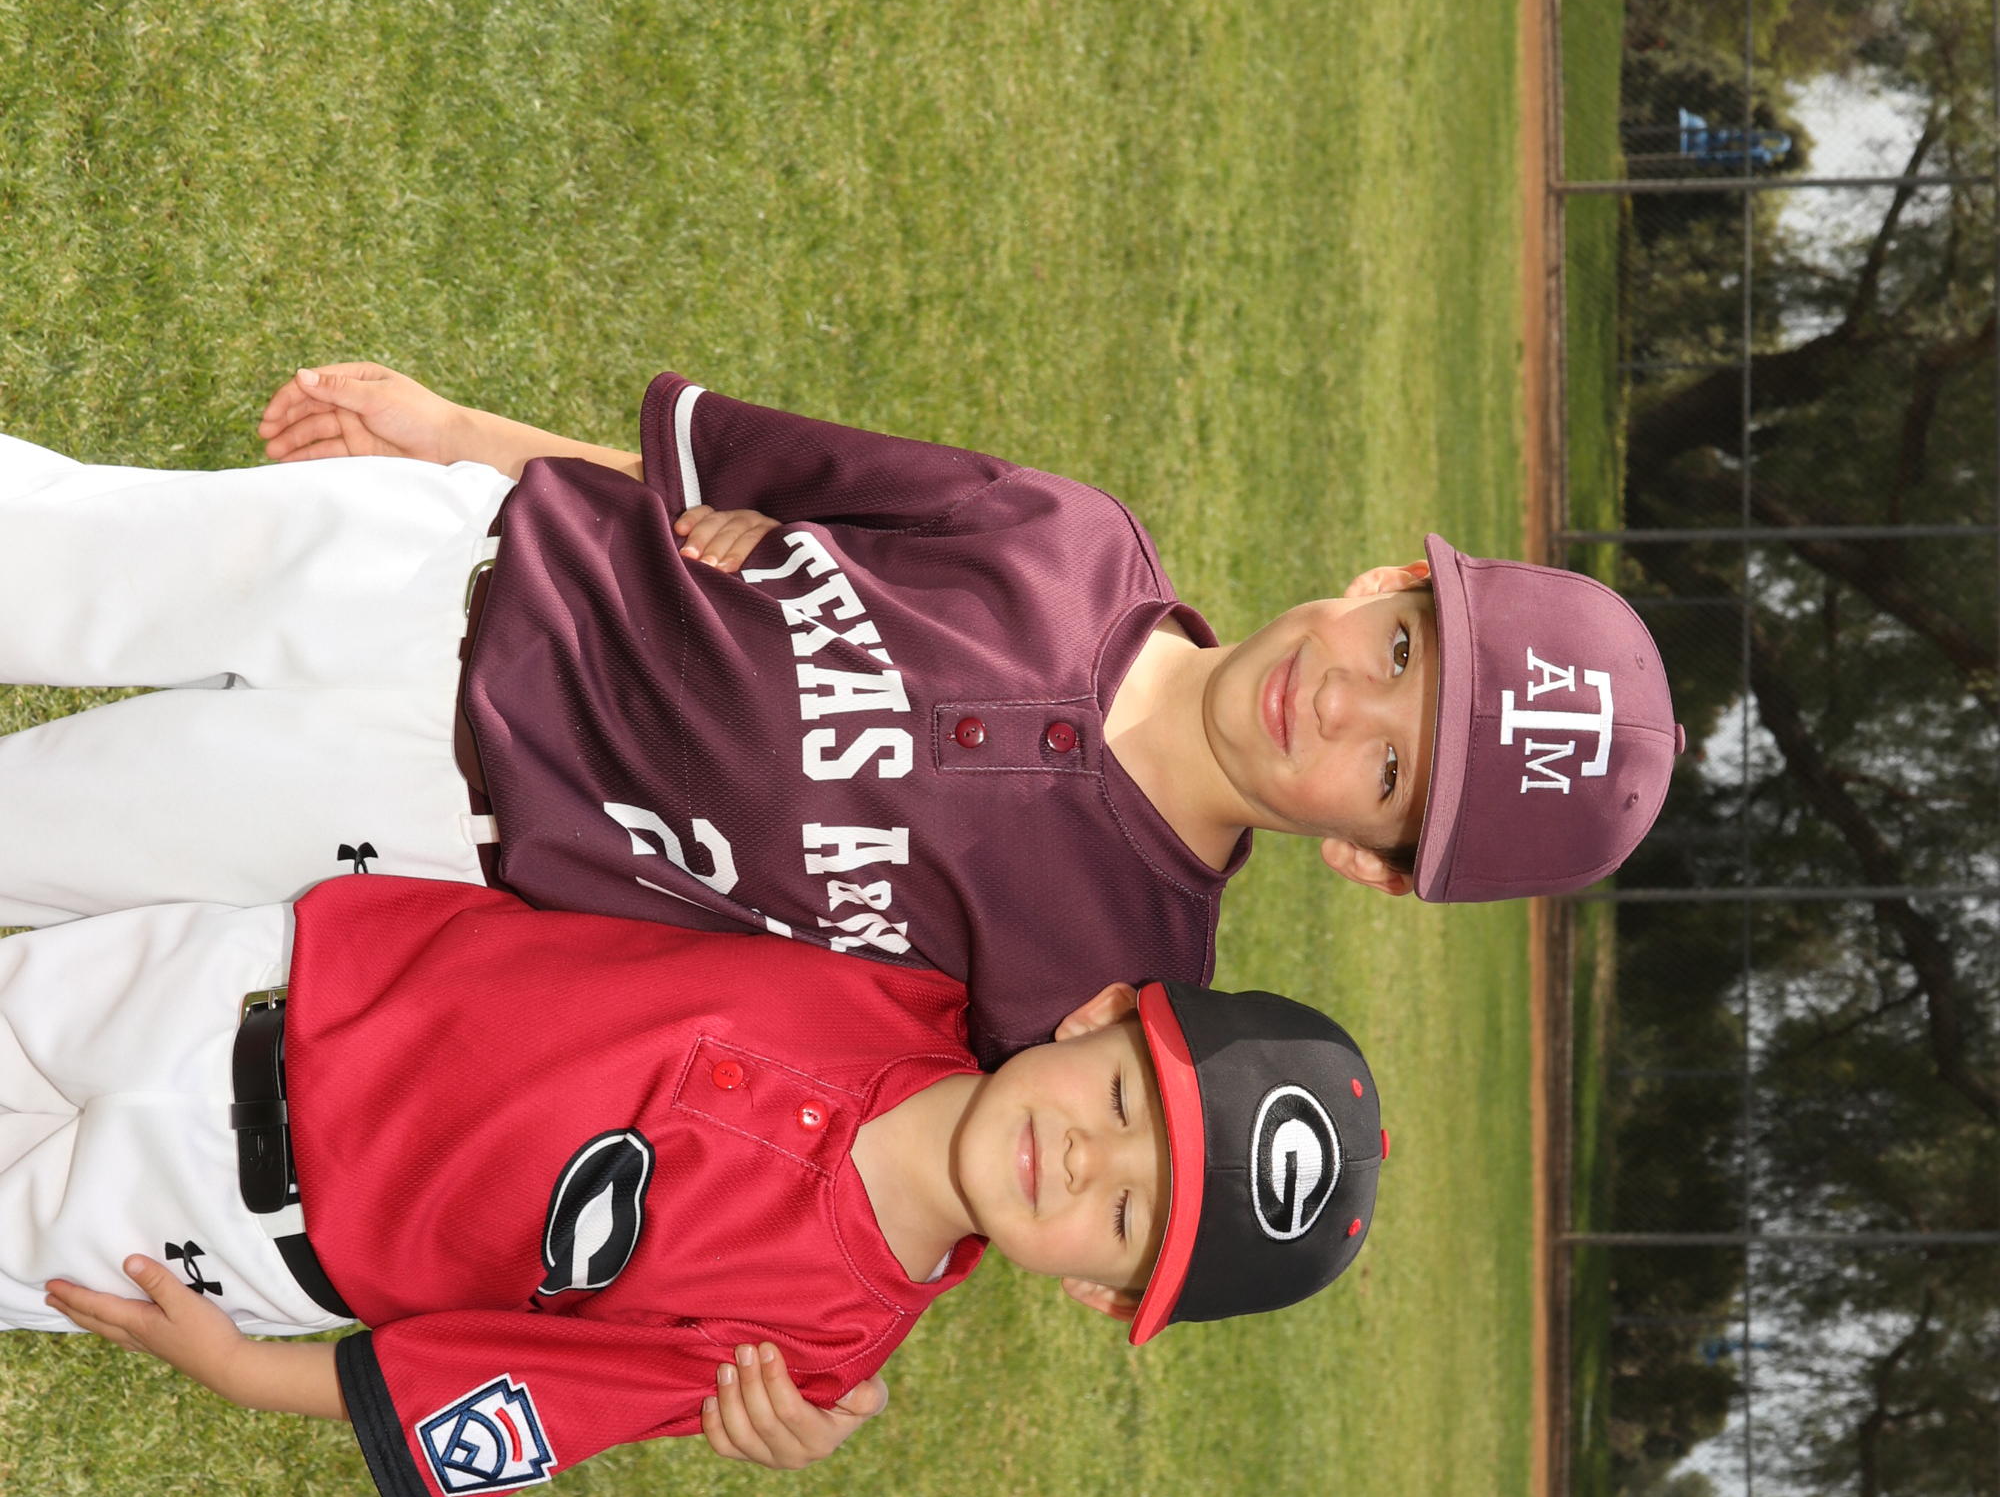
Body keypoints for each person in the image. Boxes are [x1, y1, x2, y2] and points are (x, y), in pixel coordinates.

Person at [0, 361, 1682, 1062]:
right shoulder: (1072, 538)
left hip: (435, 823)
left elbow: (884, 1149)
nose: (1345, 703)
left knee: (45, 836)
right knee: (59, 550)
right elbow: (722, 481)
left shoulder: (1107, 984)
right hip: (452, 563)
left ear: (1369, 864)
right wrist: (453, 432)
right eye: (1405, 654)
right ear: (1384, 581)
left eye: (1389, 772)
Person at [28, 874, 1383, 1497]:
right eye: (1127, 1102)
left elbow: (525, 1395)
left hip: (242, 1229)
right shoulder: (899, 965)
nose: (1087, 1161)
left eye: (1129, 1219)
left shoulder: (812, 1356)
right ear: (1097, 1014)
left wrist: (243, 1373)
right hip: (256, 974)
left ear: (1097, 1291)